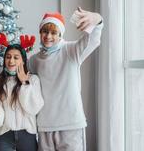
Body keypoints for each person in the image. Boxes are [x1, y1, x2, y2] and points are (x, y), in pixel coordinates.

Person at [28, 8, 103, 151]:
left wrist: (97, 19)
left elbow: (92, 40)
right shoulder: (33, 60)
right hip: (45, 126)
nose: (48, 36)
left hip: (70, 124)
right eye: (45, 31)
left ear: (60, 34)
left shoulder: (70, 50)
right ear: (40, 33)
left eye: (53, 32)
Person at [0, 44, 44, 151]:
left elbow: (34, 109)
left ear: (23, 61)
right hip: (2, 136)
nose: (11, 61)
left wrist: (24, 83)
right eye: (8, 57)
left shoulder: (33, 80)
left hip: (27, 135)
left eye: (16, 57)